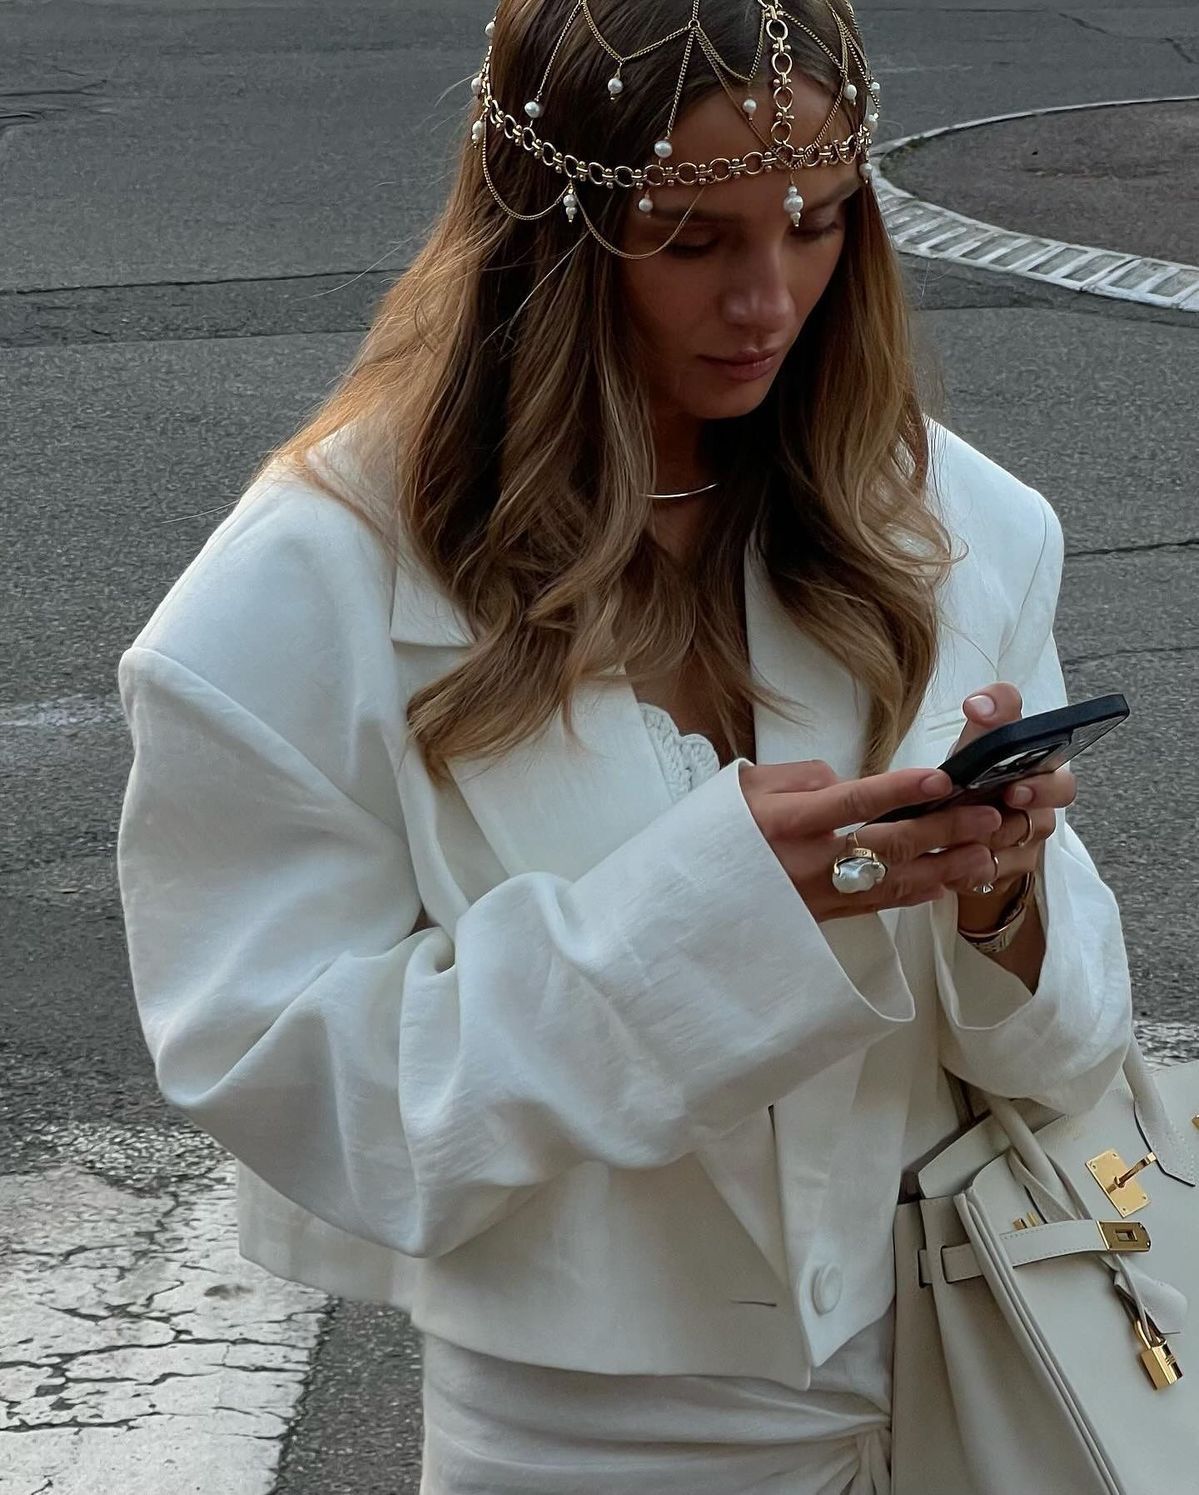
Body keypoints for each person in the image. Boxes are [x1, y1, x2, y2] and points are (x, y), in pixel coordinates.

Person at [114, 2, 1134, 1490]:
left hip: (983, 1354)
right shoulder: (303, 592)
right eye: (692, 239)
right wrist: (706, 922)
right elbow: (289, 1085)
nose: (769, 300)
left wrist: (1004, 898)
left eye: (818, 225)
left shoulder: (955, 523)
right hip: (591, 1435)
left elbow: (1074, 1051)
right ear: (548, 233)